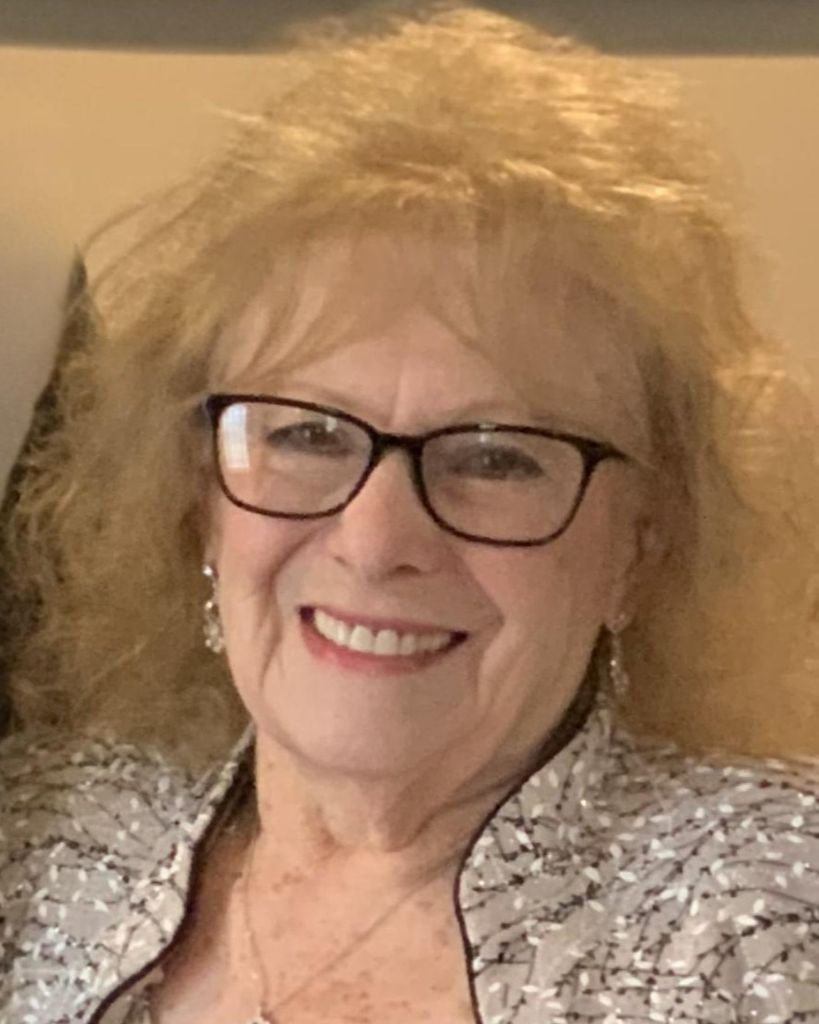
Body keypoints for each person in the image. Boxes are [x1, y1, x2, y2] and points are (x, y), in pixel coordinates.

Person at [2, 6, 819, 1023]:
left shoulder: (772, 919)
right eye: (307, 435)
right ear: (197, 496)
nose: (377, 540)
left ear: (641, 547)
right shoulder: (44, 831)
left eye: (495, 457)